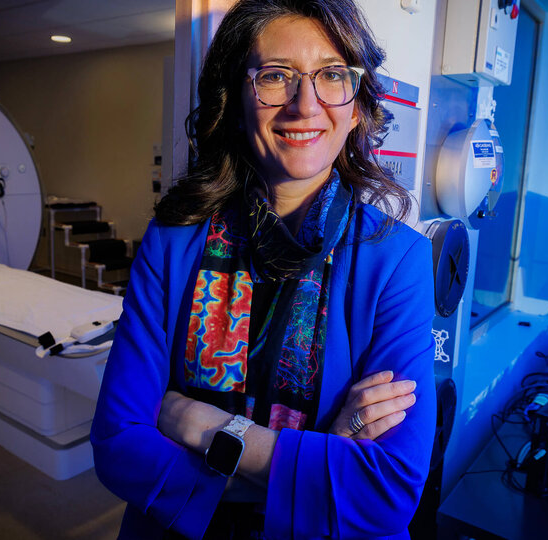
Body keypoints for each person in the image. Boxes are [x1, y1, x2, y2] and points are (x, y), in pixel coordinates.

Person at [90, 1, 436, 538]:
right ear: (235, 100)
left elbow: (385, 492)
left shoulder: (396, 260)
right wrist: (318, 464)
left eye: (331, 75)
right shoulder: (173, 240)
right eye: (276, 76)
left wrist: (198, 423)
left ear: (358, 105)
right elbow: (118, 444)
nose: (305, 105)